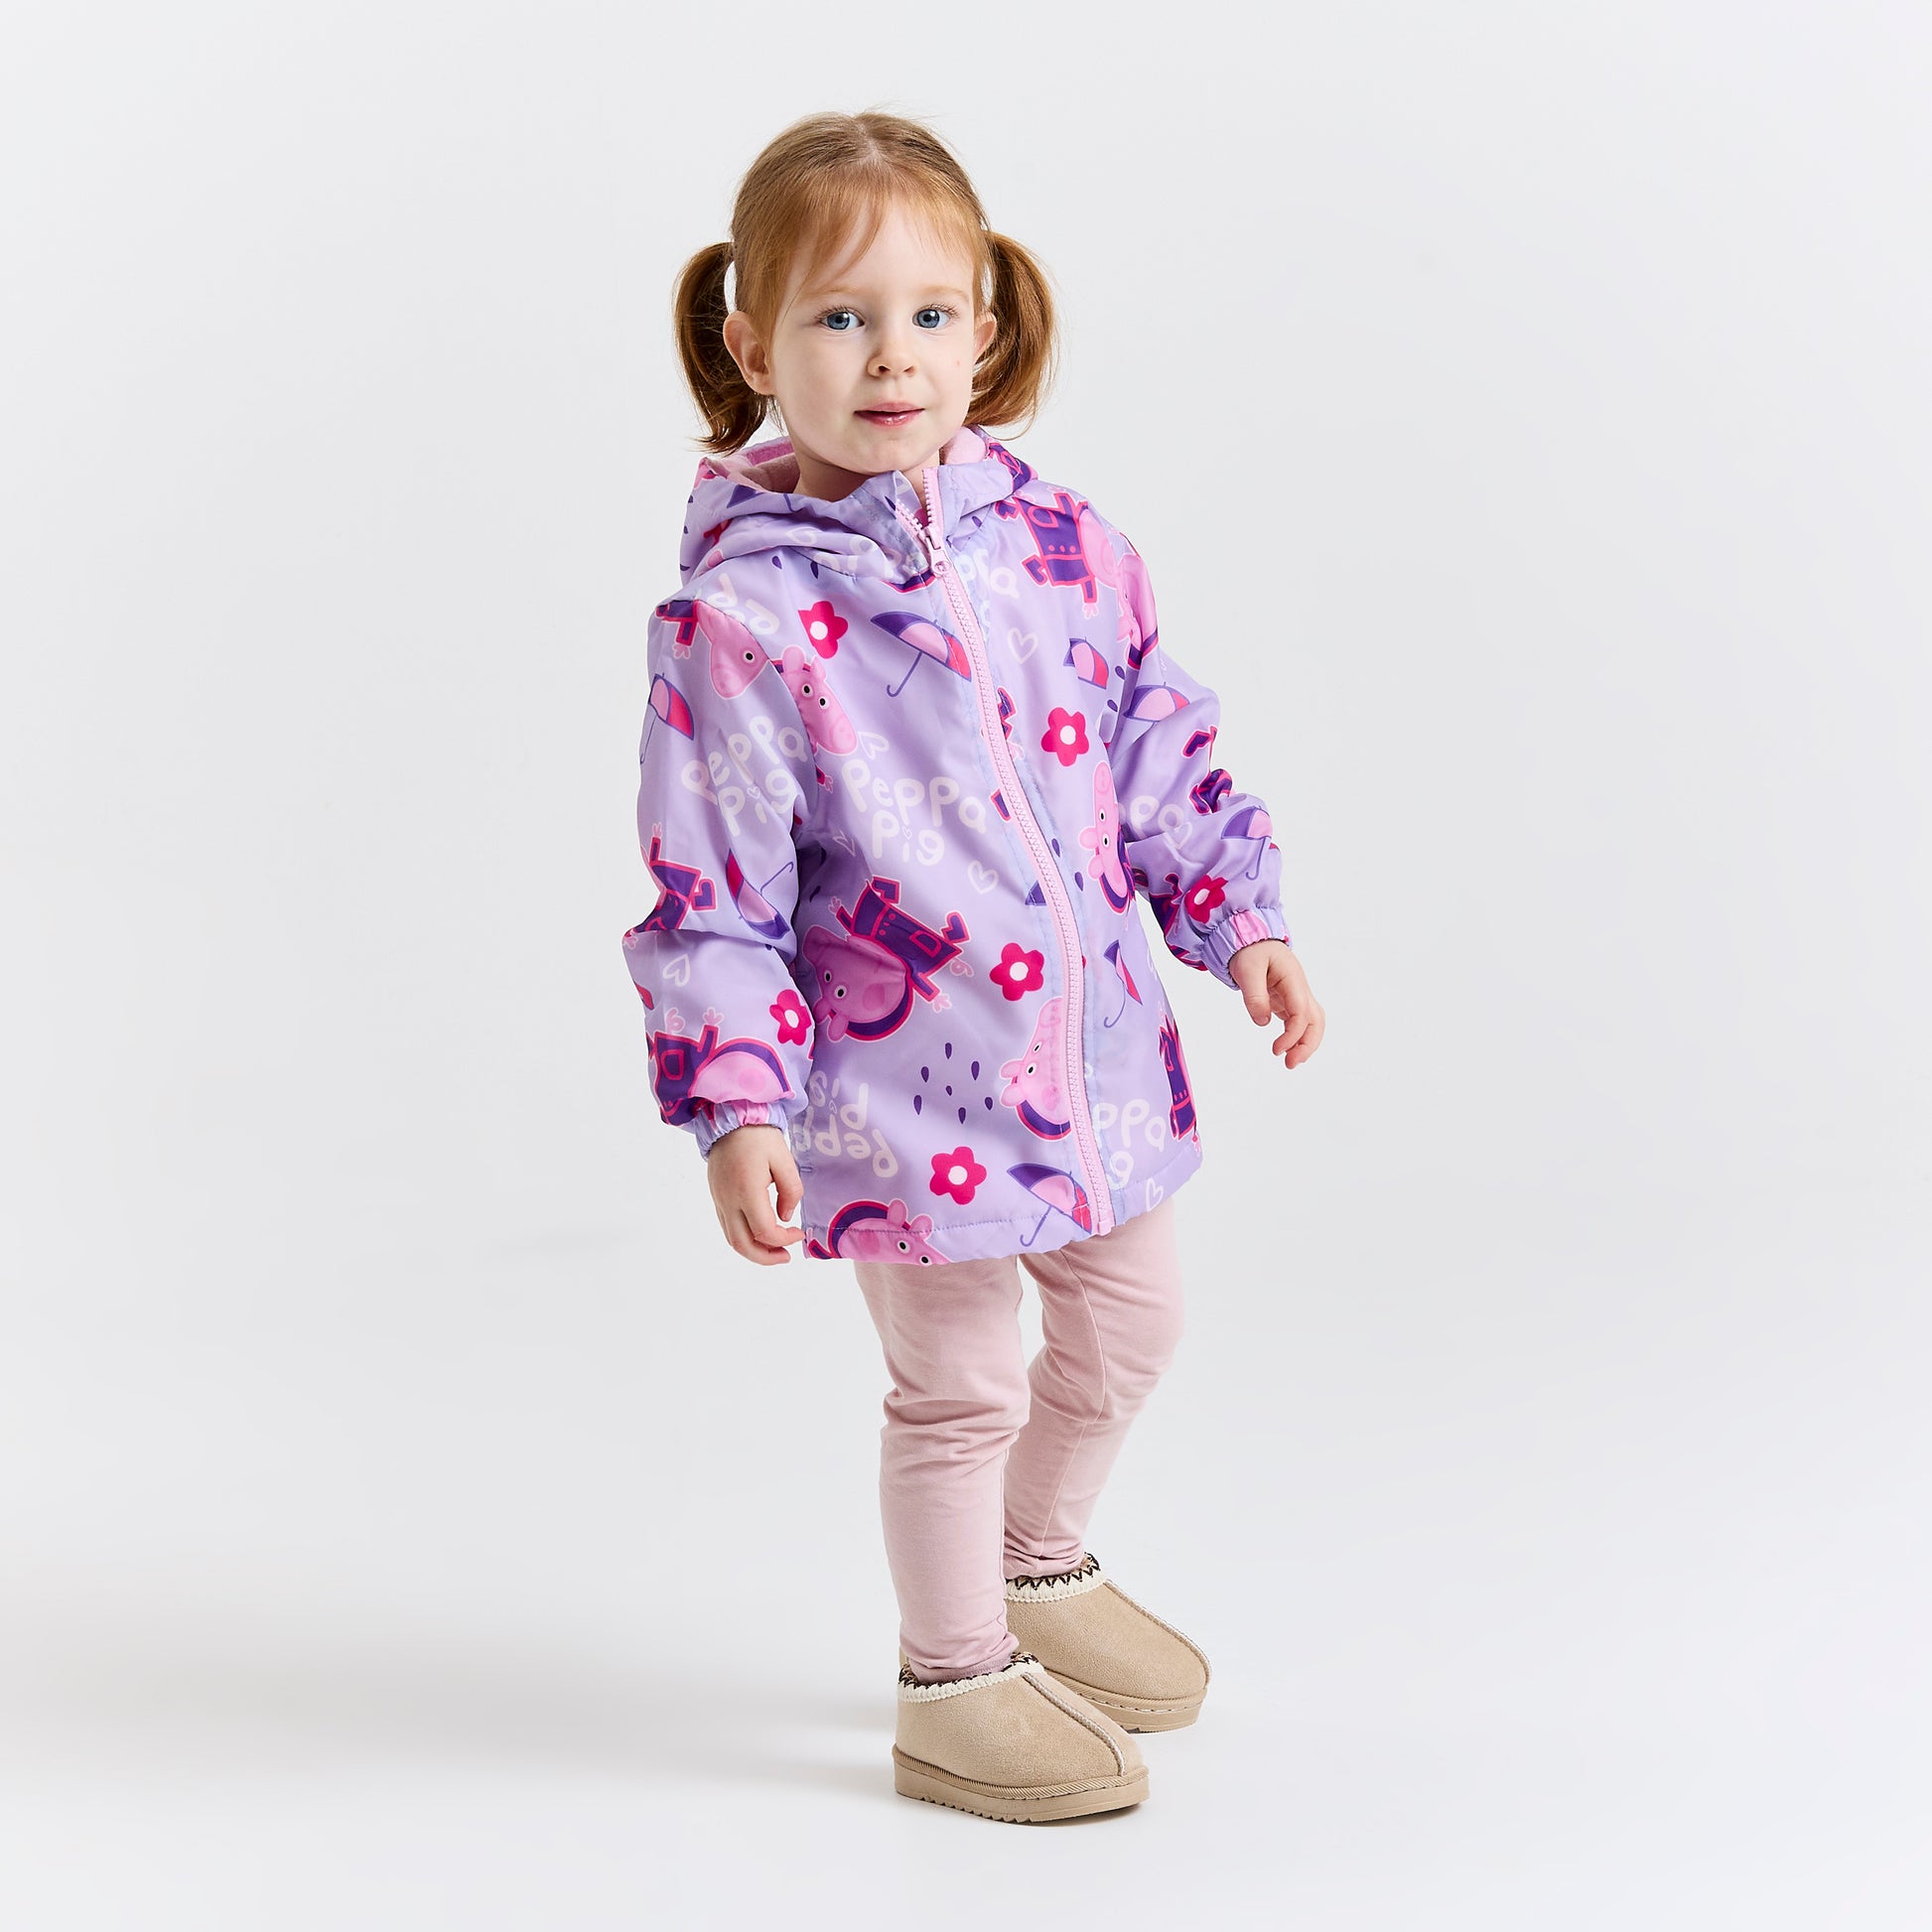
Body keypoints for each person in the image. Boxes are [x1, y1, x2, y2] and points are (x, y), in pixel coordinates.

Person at [621, 109, 1325, 1823]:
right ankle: (949, 1681)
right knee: (958, 1389)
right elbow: (712, 889)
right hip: (895, 1093)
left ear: (986, 330)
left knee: (1134, 1325)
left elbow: (1153, 743)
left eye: (928, 314)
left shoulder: (1064, 545)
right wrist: (738, 1105)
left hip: (1095, 1066)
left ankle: (1036, 1562)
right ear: (753, 345)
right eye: (840, 317)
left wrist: (1239, 913)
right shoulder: (742, 625)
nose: (891, 356)